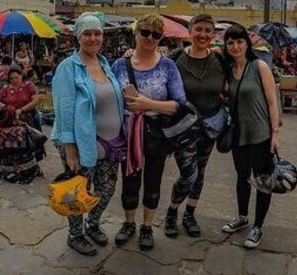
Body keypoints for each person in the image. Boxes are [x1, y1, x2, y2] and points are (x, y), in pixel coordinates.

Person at [50, 13, 125, 256]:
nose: (93, 38)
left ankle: (92, 224)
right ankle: (75, 234)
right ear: (78, 37)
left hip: (111, 143)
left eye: (97, 33)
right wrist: (70, 148)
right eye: (88, 33)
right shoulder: (68, 68)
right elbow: (65, 110)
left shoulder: (105, 63)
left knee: (107, 189)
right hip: (81, 145)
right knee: (77, 191)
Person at [111, 14, 187, 251]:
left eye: (156, 34)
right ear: (135, 33)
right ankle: (129, 222)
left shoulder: (167, 66)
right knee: (130, 178)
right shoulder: (119, 64)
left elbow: (179, 104)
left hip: (155, 132)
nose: (149, 38)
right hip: (127, 131)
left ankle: (147, 226)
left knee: (153, 180)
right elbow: (109, 96)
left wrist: (148, 104)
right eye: (145, 32)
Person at [165, 14, 227, 238]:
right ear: (190, 31)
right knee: (188, 173)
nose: (202, 34)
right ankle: (172, 211)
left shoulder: (220, 61)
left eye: (207, 31)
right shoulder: (176, 57)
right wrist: (131, 53)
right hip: (183, 127)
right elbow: (152, 67)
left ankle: (190, 214)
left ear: (213, 34)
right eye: (198, 29)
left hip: (210, 125)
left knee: (200, 172)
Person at [222, 25, 281, 249]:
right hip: (239, 134)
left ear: (247, 43)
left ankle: (258, 227)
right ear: (226, 46)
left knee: (263, 181)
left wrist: (275, 134)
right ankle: (242, 217)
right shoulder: (228, 69)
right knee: (242, 177)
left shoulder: (259, 66)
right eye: (230, 43)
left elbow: (272, 102)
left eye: (240, 42)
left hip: (261, 134)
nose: (236, 47)